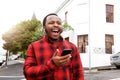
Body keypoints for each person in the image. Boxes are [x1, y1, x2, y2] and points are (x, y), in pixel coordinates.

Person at [23, 13, 84, 80]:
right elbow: (27, 73)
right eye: (51, 23)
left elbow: (78, 74)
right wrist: (52, 64)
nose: (56, 25)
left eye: (59, 23)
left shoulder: (72, 47)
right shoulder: (33, 47)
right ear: (44, 27)